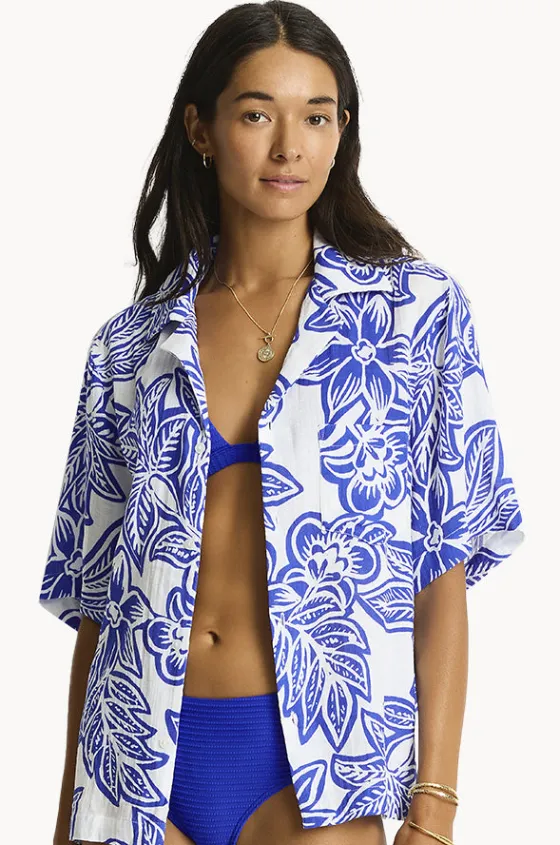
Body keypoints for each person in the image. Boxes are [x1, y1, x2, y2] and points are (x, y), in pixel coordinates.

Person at [40, 3, 525, 845]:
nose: (290, 147)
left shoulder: (414, 317)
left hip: (321, 769)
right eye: (258, 114)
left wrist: (435, 808)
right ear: (201, 128)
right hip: (134, 769)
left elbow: (441, 567)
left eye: (317, 116)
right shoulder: (128, 348)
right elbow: (97, 606)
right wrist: (68, 815)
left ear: (343, 133)